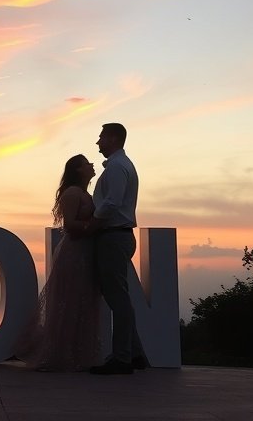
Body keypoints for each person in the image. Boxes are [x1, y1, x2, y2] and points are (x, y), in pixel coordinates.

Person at [13, 154, 101, 372]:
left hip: (85, 252)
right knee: (70, 300)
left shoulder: (84, 193)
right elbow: (70, 225)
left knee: (83, 301)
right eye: (86, 163)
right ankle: (60, 354)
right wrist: (95, 224)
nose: (92, 165)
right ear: (78, 170)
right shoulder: (72, 193)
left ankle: (77, 354)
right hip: (75, 252)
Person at [87, 122, 148, 375]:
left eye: (101, 137)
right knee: (118, 296)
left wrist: (93, 224)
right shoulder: (123, 165)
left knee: (117, 298)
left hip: (113, 236)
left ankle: (122, 358)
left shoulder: (116, 167)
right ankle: (133, 353)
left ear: (112, 139)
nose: (98, 142)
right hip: (118, 235)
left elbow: (112, 202)